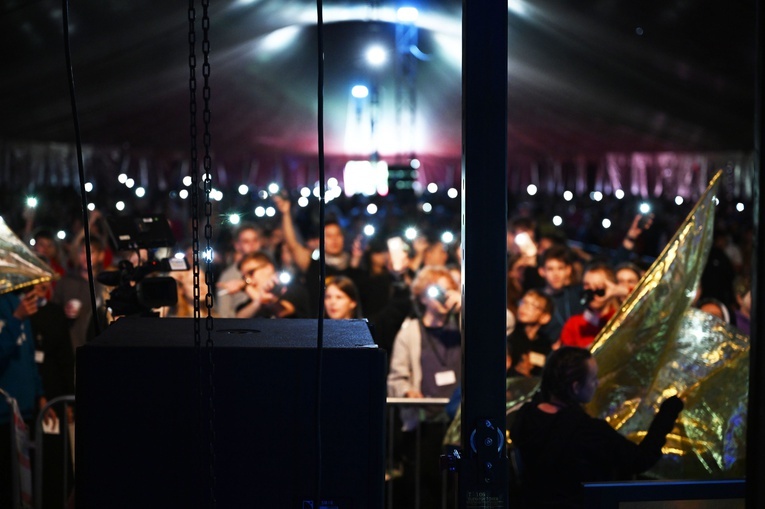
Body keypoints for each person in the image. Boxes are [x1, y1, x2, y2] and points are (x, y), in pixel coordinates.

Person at [510, 347, 684, 508]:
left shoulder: (525, 416)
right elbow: (639, 460)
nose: (597, 384)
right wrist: (667, 414)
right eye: (593, 378)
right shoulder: (587, 430)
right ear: (576, 387)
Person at [387, 266, 462, 508]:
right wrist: (408, 391)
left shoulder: (464, 325)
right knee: (425, 487)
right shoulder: (409, 332)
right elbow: (396, 378)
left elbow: (506, 323)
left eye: (448, 290)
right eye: (437, 291)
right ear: (421, 296)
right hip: (424, 424)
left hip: (458, 423)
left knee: (455, 488)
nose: (442, 296)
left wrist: (467, 307)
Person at [1, 287, 55, 508]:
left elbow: (29, 355)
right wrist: (16, 319)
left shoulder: (15, 301)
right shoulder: (17, 310)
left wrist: (40, 396)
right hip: (3, 415)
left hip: (24, 413)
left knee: (24, 489)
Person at [273, 195, 364, 317]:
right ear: (320, 240)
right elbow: (293, 246)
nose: (334, 240)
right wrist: (286, 213)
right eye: (329, 236)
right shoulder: (315, 266)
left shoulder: (353, 265)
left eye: (337, 235)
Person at [51, 237, 107, 351]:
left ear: (101, 255)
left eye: (91, 252)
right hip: (68, 348)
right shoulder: (66, 281)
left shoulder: (105, 284)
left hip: (98, 349)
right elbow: (52, 311)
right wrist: (63, 311)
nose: (85, 257)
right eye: (82, 252)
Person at [558, 263, 624, 350]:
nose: (592, 290)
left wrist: (621, 291)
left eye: (598, 286)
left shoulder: (621, 319)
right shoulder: (574, 324)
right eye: (587, 285)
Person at [235, 251, 309, 319]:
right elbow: (239, 320)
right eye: (244, 277)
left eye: (251, 273)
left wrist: (247, 288)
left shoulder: (294, 290)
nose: (248, 281)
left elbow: (284, 312)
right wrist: (258, 300)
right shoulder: (248, 303)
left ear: (268, 268)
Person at [538, 245, 585, 345]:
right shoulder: (536, 299)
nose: (556, 274)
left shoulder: (577, 294)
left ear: (568, 270)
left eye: (560, 268)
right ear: (542, 272)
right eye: (550, 269)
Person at [215, 224, 264, 318]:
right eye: (246, 241)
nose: (252, 245)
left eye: (255, 240)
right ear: (237, 245)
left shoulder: (269, 268)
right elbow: (223, 314)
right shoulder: (228, 276)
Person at [507, 289, 554, 376]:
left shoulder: (544, 344)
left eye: (533, 305)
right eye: (523, 302)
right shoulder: (510, 335)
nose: (524, 307)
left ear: (545, 317)